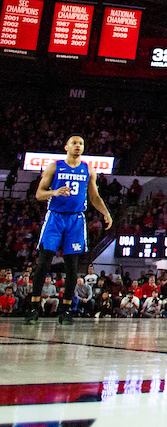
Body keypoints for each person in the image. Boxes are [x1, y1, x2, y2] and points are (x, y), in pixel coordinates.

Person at [25, 135, 112, 324]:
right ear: (66, 147)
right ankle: (34, 306)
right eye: (75, 143)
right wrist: (54, 192)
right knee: (43, 264)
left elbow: (94, 196)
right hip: (55, 217)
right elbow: (39, 194)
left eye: (81, 144)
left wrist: (106, 213)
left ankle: (65, 309)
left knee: (72, 267)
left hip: (76, 220)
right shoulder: (54, 166)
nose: (78, 146)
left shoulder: (88, 169)